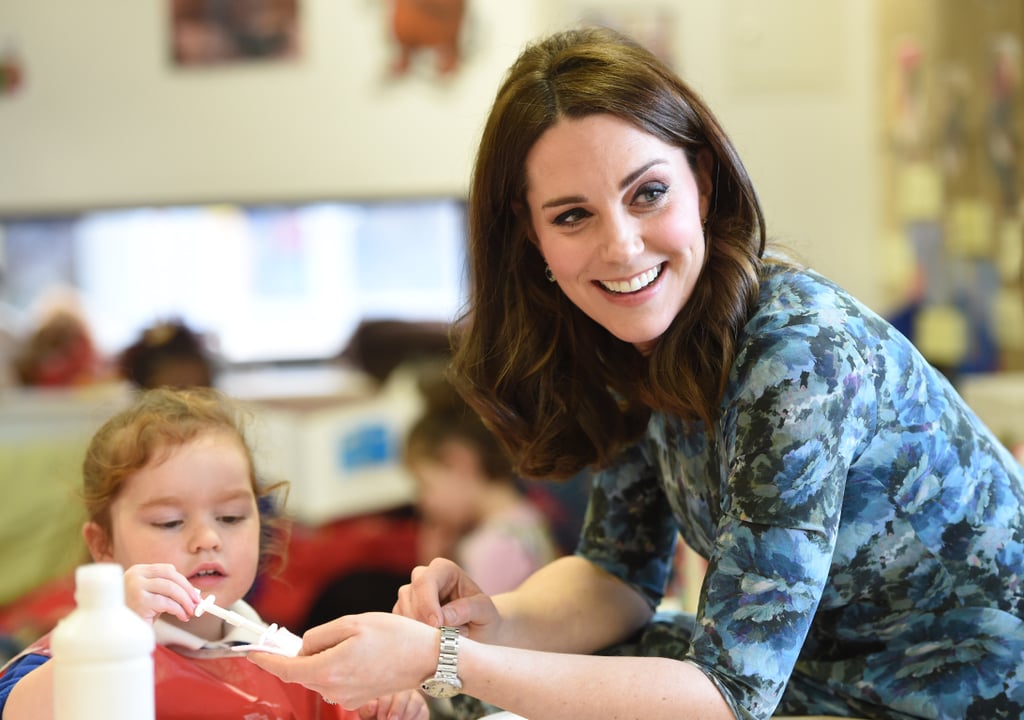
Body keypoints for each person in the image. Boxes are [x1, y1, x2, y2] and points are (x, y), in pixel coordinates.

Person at [247, 26, 1024, 720]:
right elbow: (616, 575)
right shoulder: (623, 341)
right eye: (573, 215)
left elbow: (727, 695)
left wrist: (442, 661)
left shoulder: (797, 354)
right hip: (825, 684)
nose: (621, 248)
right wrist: (489, 624)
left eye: (647, 193)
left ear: (703, 184)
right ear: (532, 239)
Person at [0, 387, 428, 720]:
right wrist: (106, 639)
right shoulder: (65, 655)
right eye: (169, 521)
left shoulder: (295, 662)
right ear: (103, 546)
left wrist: (388, 707)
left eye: (231, 517)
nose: (207, 538)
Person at [405, 374, 558, 595]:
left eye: (425, 484)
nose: (421, 502)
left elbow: (468, 630)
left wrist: (433, 594)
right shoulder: (528, 516)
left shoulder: (494, 547)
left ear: (457, 462)